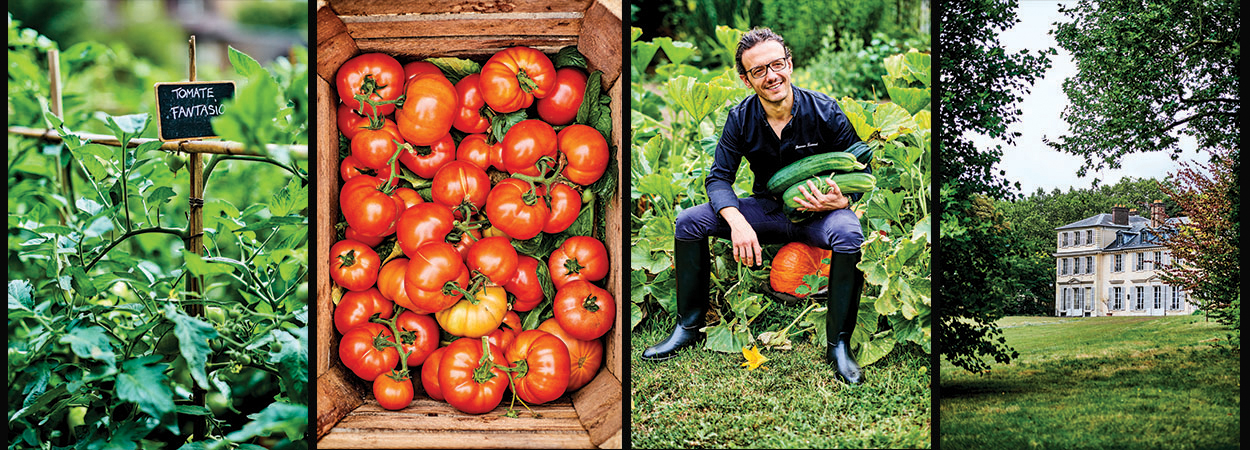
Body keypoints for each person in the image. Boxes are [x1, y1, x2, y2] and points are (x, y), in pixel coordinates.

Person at [640, 27, 869, 385]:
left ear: (789, 65)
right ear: (747, 80)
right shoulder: (740, 119)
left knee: (848, 232)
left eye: (777, 64)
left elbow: (860, 160)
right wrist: (737, 222)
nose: (771, 75)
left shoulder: (825, 111)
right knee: (689, 221)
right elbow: (718, 178)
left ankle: (838, 344)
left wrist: (843, 199)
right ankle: (688, 326)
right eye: (758, 70)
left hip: (819, 212)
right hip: (767, 209)